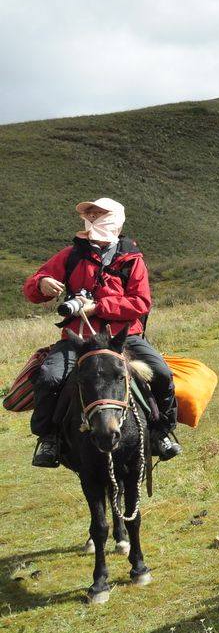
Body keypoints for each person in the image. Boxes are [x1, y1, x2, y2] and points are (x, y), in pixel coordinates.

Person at [23, 198, 182, 467]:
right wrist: (42, 283)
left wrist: (97, 307)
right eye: (90, 214)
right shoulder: (71, 255)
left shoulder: (132, 260)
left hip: (123, 339)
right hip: (78, 339)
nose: (93, 217)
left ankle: (161, 431)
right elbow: (32, 288)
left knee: (162, 373)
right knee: (49, 378)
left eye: (99, 213)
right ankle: (49, 438)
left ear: (116, 219)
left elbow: (140, 303)